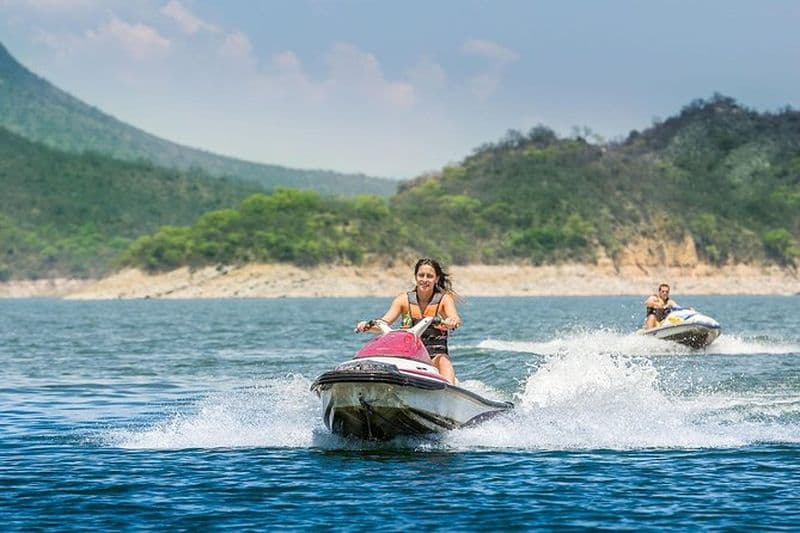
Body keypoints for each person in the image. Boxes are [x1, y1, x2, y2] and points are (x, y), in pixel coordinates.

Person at [355, 257, 462, 384]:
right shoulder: (403, 300)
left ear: (436, 279)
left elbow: (454, 318)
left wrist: (451, 321)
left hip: (434, 358)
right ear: (415, 277)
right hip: (409, 357)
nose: (424, 280)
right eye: (421, 275)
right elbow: (383, 323)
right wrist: (366, 326)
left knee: (444, 360)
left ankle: (449, 393)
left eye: (429, 276)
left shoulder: (444, 300)